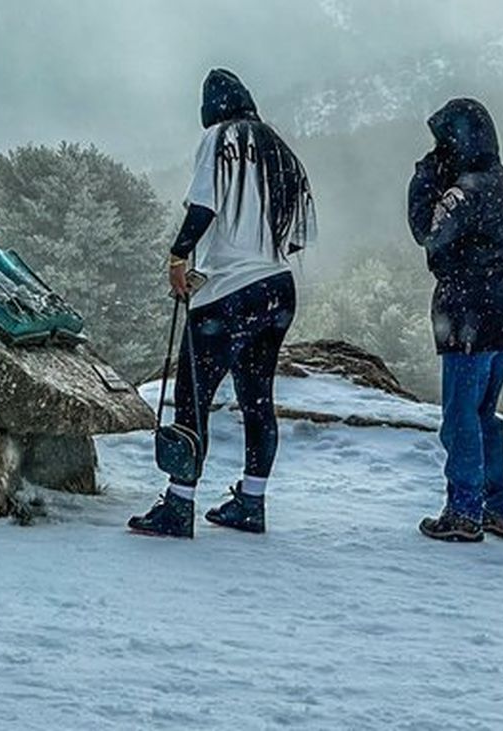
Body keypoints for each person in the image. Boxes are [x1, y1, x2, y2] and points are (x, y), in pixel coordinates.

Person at [128, 69, 316, 539]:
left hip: (226, 294)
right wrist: (254, 253)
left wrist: (179, 256)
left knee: (193, 397)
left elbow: (203, 207)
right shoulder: (280, 149)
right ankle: (251, 502)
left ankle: (179, 505)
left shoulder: (219, 137)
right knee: (258, 399)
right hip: (277, 288)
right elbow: (298, 236)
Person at [407, 99, 503, 543]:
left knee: (460, 417)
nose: (438, 150)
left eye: (442, 141)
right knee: (483, 415)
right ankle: (499, 507)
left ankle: (463, 511)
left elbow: (428, 230)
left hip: (469, 306)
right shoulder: (497, 177)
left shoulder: (466, 188)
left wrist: (423, 180)